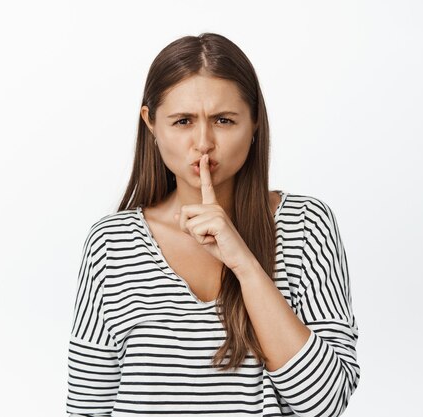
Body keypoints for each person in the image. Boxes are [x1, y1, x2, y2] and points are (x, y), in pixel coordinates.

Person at [66, 32, 360, 417]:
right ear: (151, 124)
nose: (203, 142)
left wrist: (244, 263)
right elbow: (88, 408)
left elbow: (325, 403)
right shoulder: (112, 242)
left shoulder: (306, 226)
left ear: (254, 123)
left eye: (224, 120)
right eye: (183, 121)